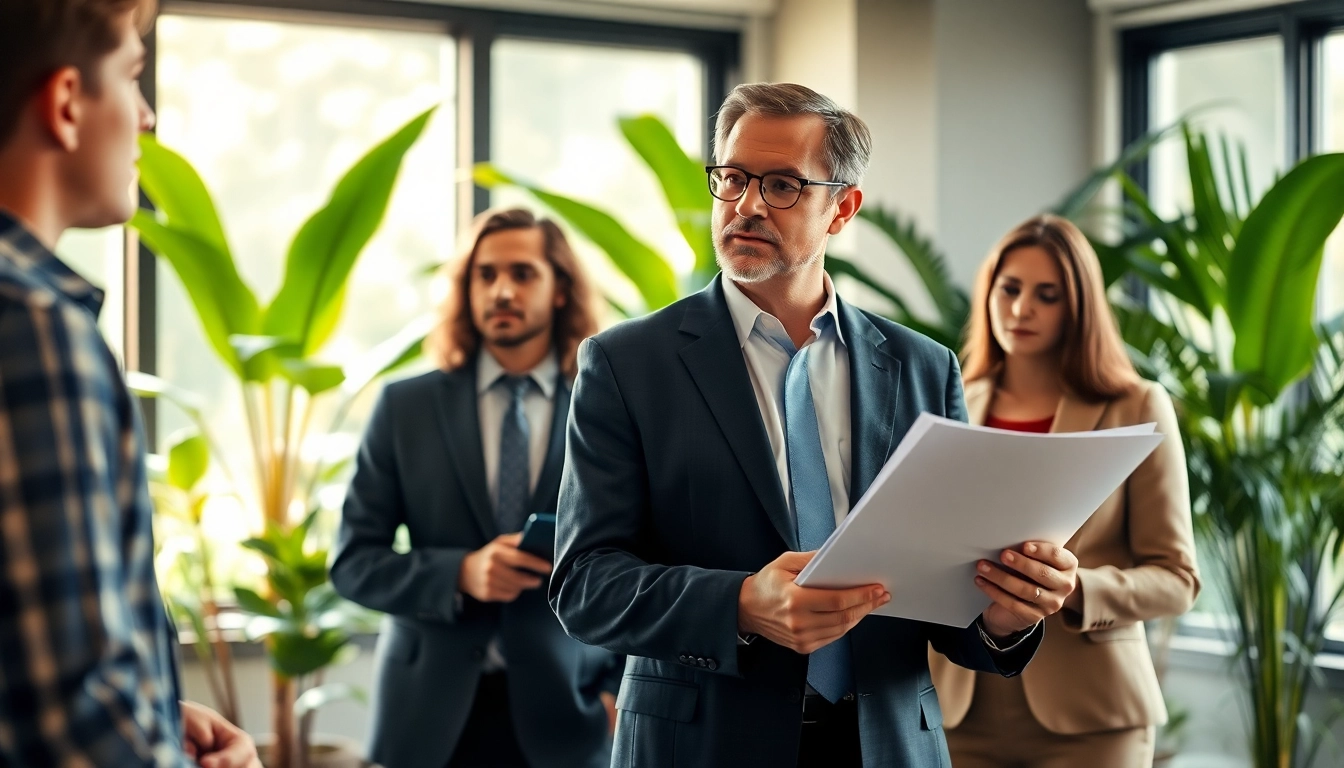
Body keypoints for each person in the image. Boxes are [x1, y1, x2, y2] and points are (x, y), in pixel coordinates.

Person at [549, 82, 1081, 768]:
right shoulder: (626, 364)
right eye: (733, 178)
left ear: (842, 208)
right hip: (700, 745)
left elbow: (949, 597)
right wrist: (740, 602)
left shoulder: (924, 367)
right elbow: (584, 583)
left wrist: (1007, 612)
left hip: (886, 744)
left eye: (781, 186)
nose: (745, 205)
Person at [0, 1, 260, 766]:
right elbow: (73, 722)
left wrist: (145, 703)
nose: (146, 118)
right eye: (133, 76)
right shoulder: (36, 328)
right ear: (67, 103)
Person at [330, 207, 622, 768]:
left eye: (522, 273)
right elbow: (352, 563)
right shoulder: (404, 408)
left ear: (560, 289)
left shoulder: (608, 406)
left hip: (570, 718)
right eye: (484, 276)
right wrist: (459, 573)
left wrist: (616, 689)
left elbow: (646, 556)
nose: (501, 291)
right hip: (426, 723)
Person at [928, 214, 1200, 767]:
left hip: (1092, 715)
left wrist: (1072, 588)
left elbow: (1177, 579)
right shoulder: (951, 401)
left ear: (1078, 307)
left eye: (1047, 295)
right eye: (1010, 289)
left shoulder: (1137, 407)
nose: (1022, 309)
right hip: (958, 704)